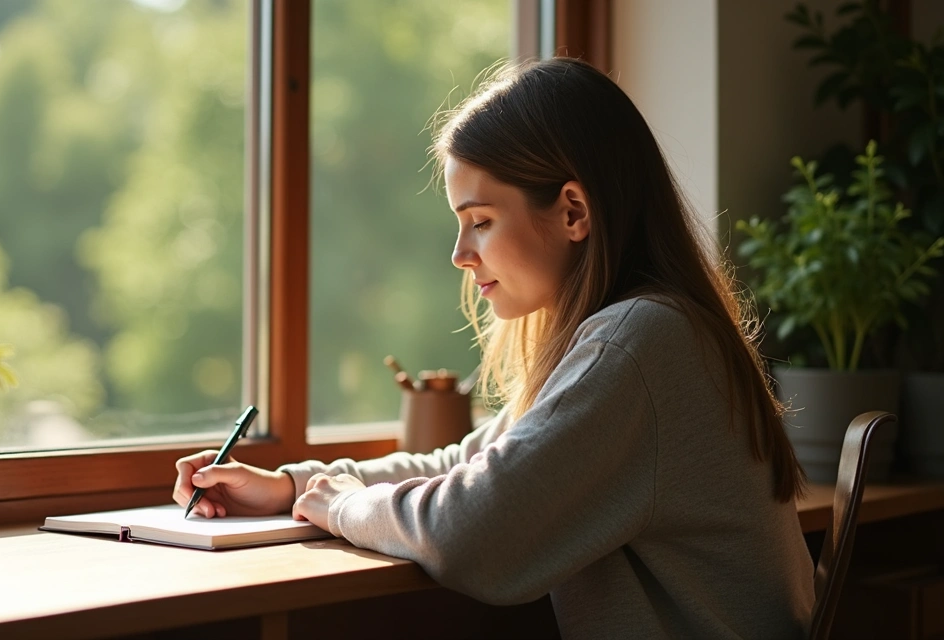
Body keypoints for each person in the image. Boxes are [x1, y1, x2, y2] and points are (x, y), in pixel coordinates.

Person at [172, 57, 814, 638]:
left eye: (480, 222)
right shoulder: (644, 332)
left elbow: (470, 531)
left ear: (573, 211)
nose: (459, 254)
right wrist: (294, 485)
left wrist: (338, 504)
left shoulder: (640, 345)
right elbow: (473, 463)